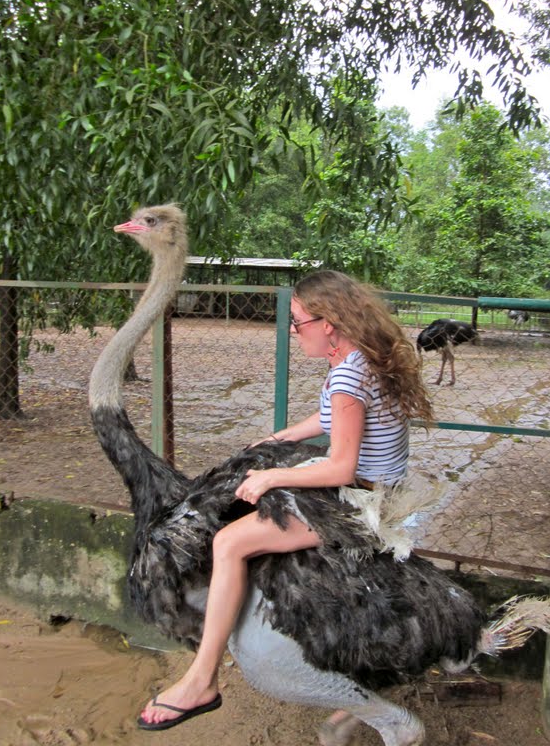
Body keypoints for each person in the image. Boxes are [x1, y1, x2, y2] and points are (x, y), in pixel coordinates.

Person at [138, 269, 433, 731]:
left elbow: (341, 467)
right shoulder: (362, 359)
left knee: (229, 542)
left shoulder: (347, 377)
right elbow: (333, 417)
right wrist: (281, 437)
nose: (294, 332)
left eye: (298, 322)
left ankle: (202, 679)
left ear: (328, 323)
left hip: (363, 505)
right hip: (388, 492)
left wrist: (272, 475)